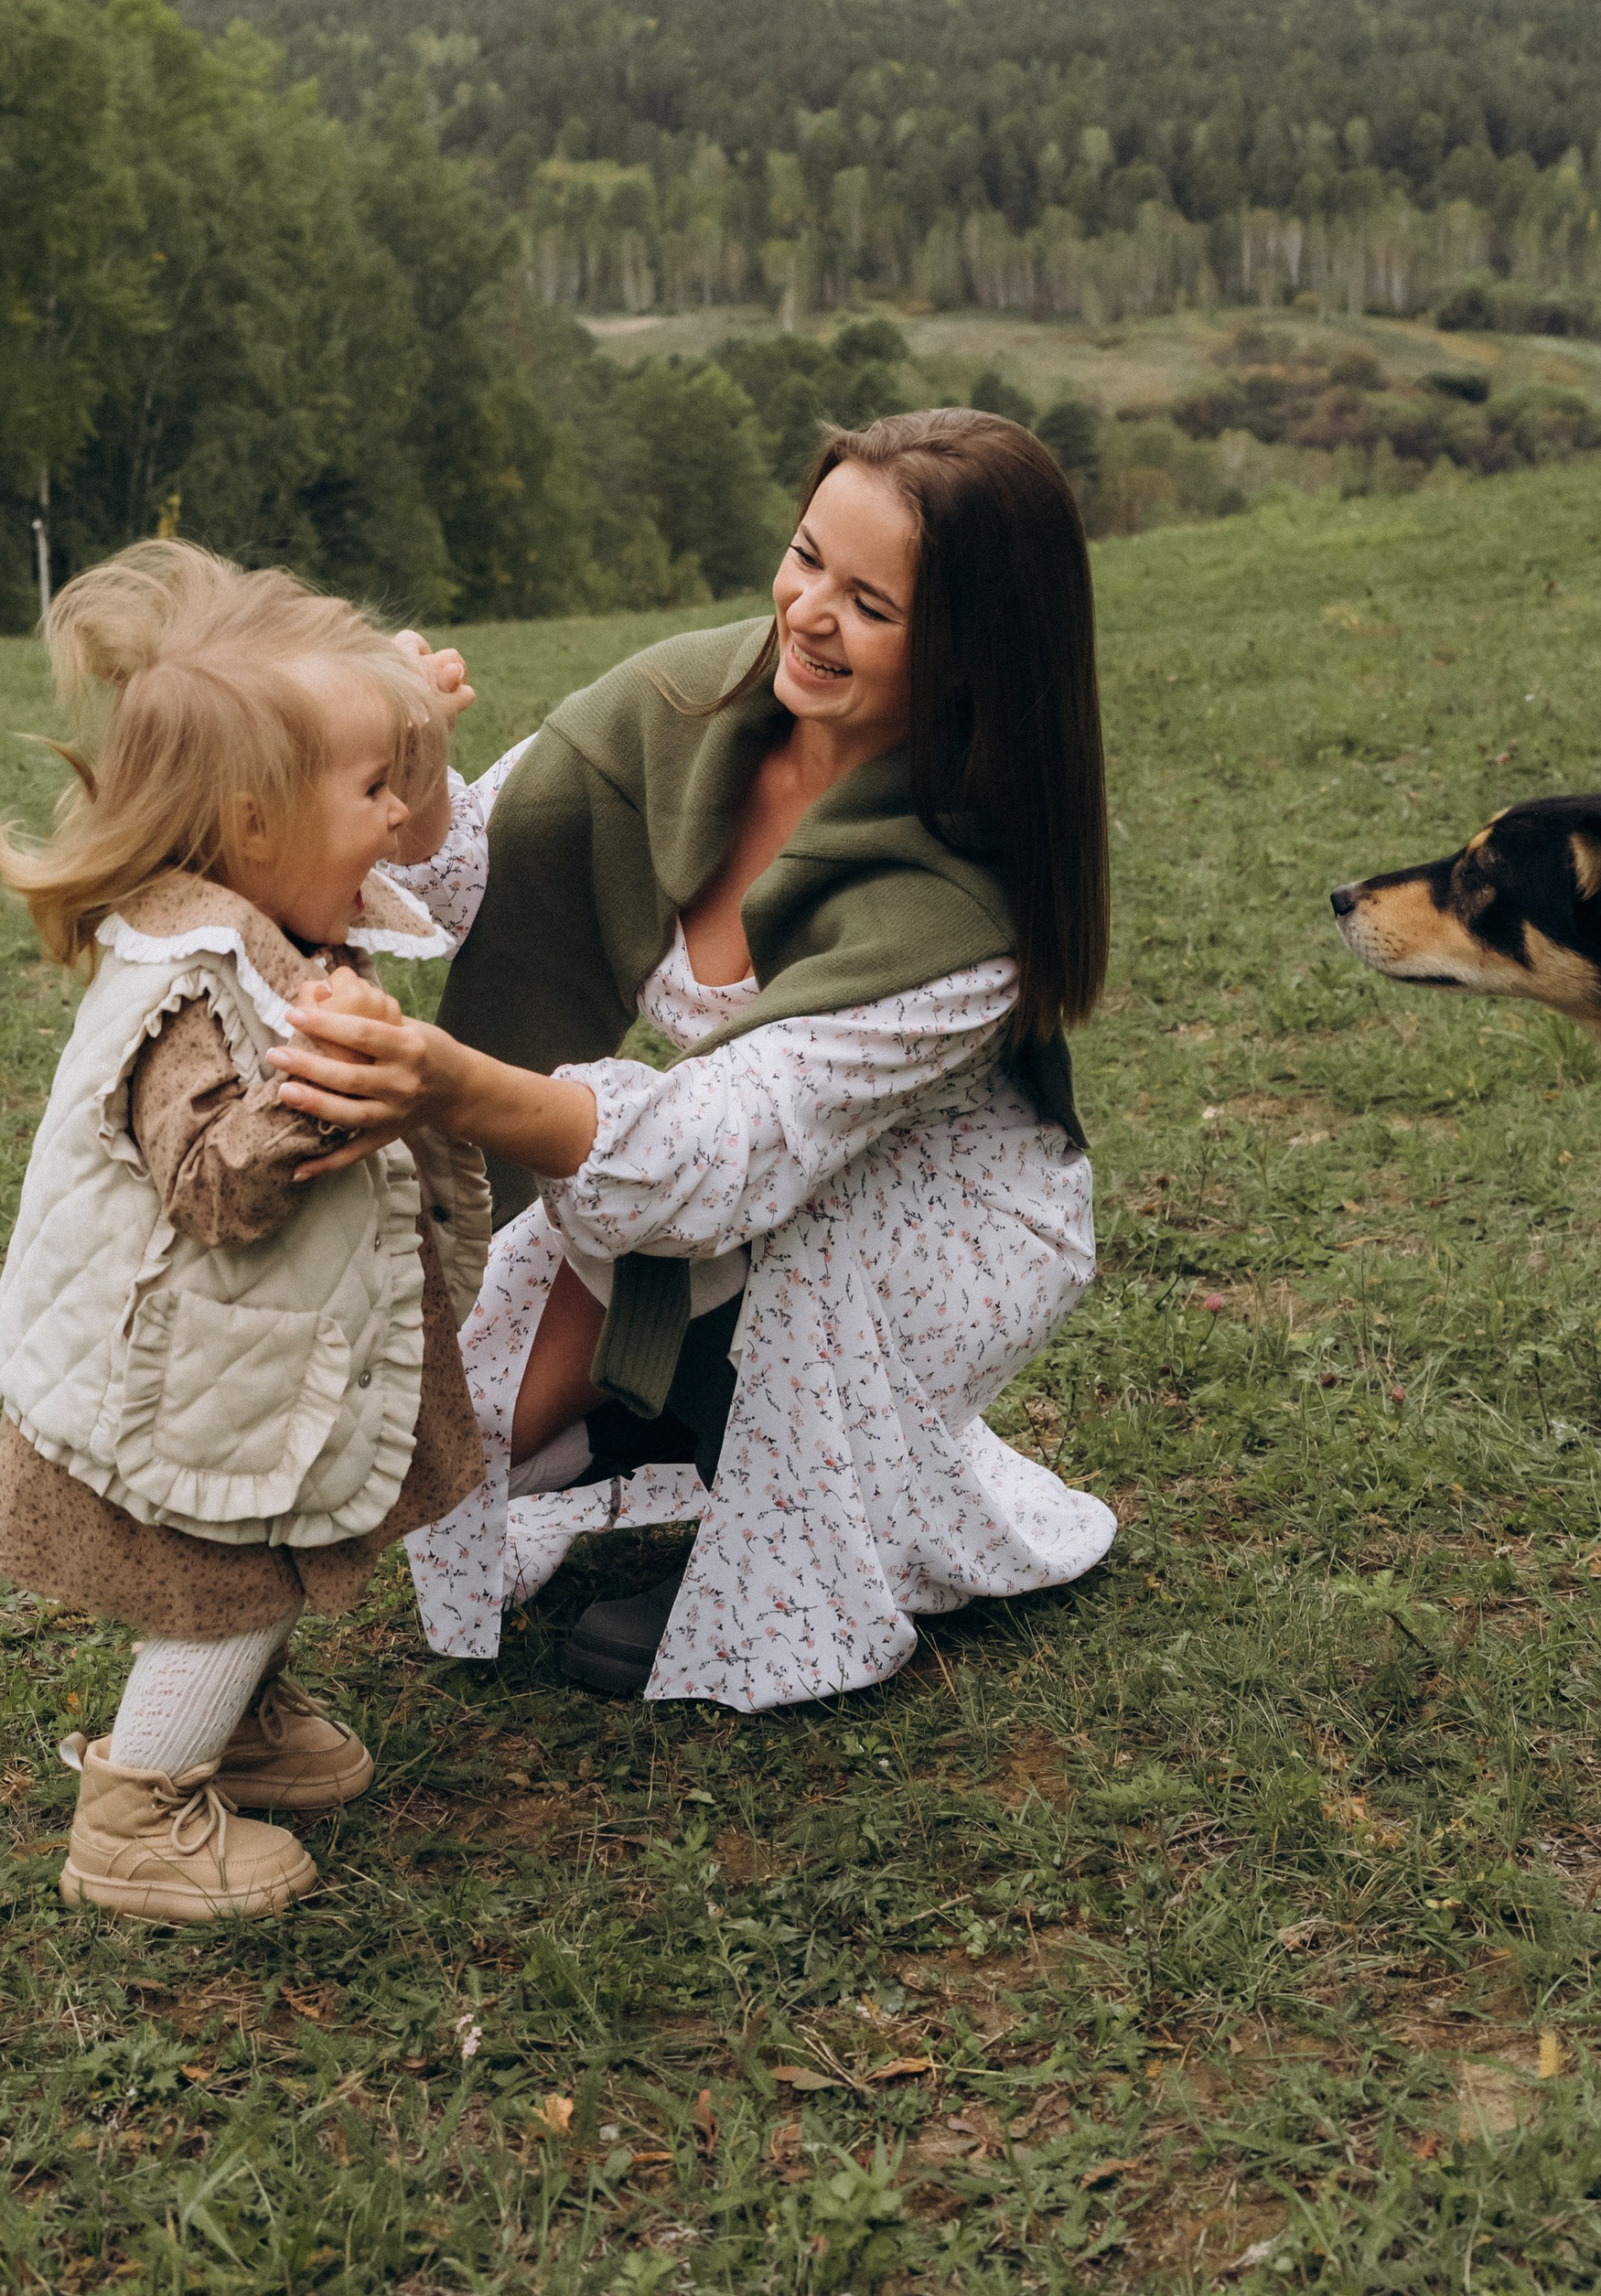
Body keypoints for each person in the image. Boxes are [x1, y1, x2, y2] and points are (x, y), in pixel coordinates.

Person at [266, 409, 1118, 1713]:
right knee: (469, 1435)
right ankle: (679, 1415)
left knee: (803, 1266)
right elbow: (490, 868)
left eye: (872, 605)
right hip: (708, 1177)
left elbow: (728, 1151)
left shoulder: (966, 899)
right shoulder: (687, 705)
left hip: (935, 1221)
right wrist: (420, 778)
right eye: (804, 557)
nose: (809, 614)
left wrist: (445, 1084)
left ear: (971, 655)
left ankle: (789, 1556)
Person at [0, 544, 488, 1921]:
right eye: (370, 790)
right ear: (256, 826)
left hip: (249, 1364)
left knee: (271, 1544)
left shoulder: (272, 908)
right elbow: (208, 1177)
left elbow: (423, 850)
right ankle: (138, 1808)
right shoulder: (188, 976)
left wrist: (411, 736)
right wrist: (335, 1098)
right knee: (232, 1580)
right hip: (188, 1387)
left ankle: (243, 1736)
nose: (396, 821)